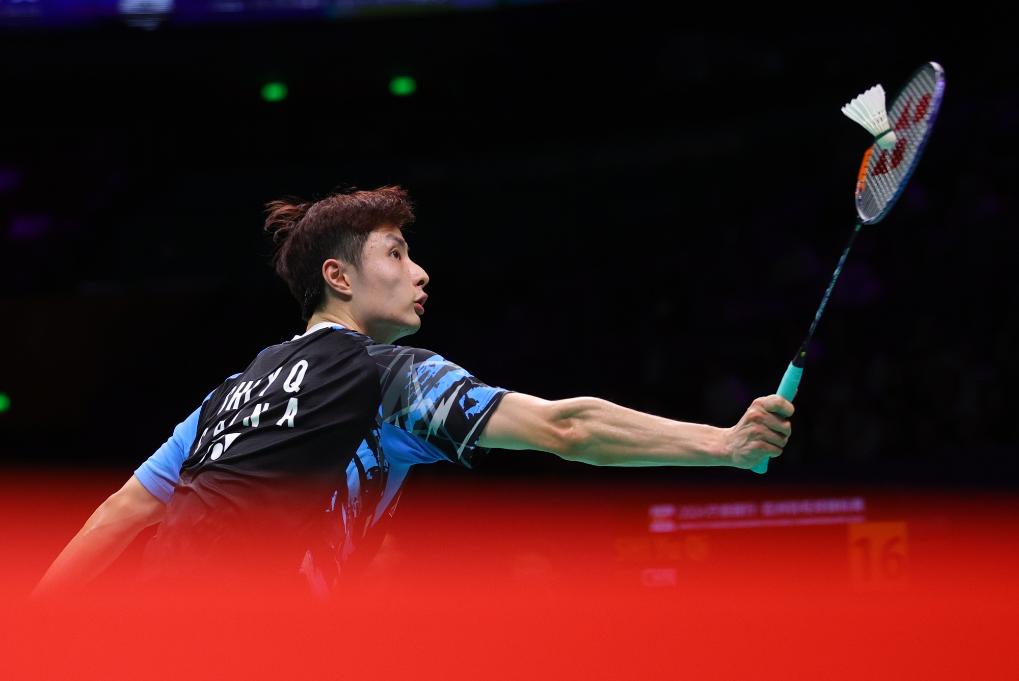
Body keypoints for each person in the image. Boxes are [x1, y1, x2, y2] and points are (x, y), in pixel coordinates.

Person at [34, 185, 794, 597]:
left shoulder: (227, 395)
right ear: (338, 277)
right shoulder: (385, 376)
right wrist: (724, 445)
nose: (420, 272)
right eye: (396, 254)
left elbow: (120, 512)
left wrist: (37, 622)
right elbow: (566, 428)